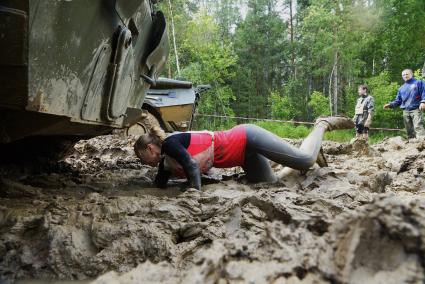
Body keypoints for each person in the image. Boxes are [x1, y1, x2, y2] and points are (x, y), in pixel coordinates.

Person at [134, 116, 354, 190]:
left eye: (142, 157)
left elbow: (191, 166)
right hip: (243, 157)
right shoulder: (165, 161)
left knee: (304, 160)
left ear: (150, 148)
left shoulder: (171, 144)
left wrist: (194, 192)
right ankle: (307, 158)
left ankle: (322, 124)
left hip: (245, 137)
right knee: (271, 183)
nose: (144, 162)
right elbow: (159, 185)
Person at [383, 69, 425, 139]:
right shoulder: (401, 88)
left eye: (407, 74)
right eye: (403, 75)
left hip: (416, 108)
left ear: (411, 74)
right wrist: (390, 105)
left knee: (418, 126)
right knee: (409, 129)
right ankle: (412, 144)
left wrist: (423, 101)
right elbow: (398, 101)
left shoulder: (419, 82)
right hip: (405, 110)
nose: (405, 76)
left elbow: (424, 92)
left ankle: (422, 143)